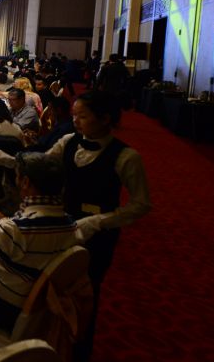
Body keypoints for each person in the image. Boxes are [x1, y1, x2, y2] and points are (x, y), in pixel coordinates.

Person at [30, 90, 148, 359]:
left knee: (86, 292)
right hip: (62, 224)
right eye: (74, 116)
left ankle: (80, 349)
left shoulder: (126, 157)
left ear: (105, 119)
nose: (75, 122)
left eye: (82, 116)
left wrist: (99, 221)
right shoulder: (69, 141)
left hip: (99, 236)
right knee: (52, 287)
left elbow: (141, 205)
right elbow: (44, 164)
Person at [0, 153, 88, 332]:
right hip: (34, 305)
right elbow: (32, 238)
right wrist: (3, 220)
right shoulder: (71, 225)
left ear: (25, 182)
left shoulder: (16, 229)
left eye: (17, 176)